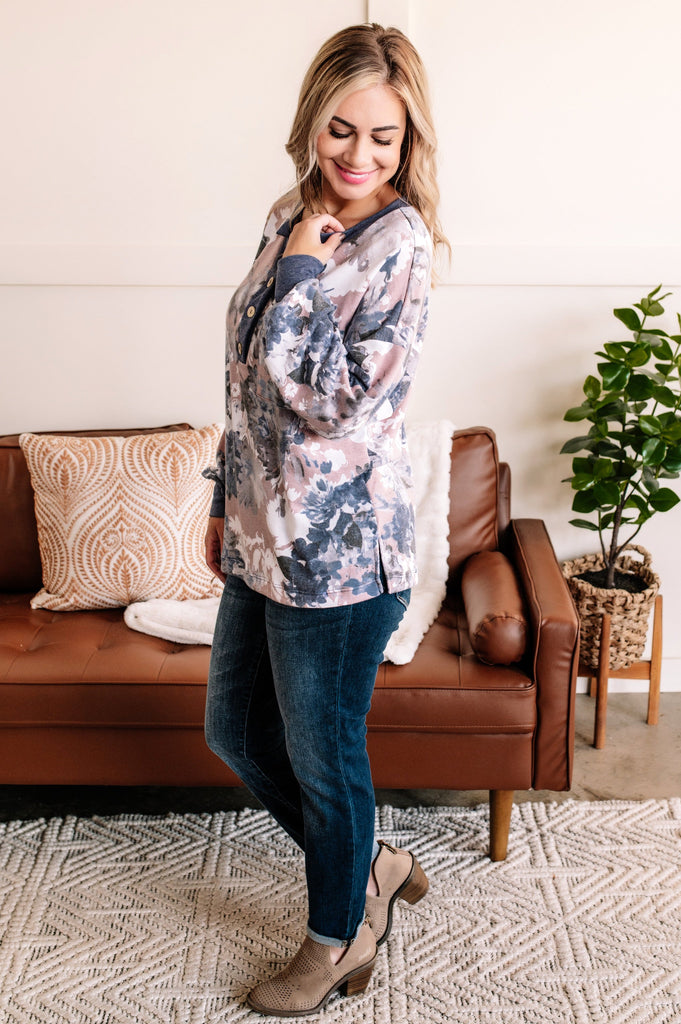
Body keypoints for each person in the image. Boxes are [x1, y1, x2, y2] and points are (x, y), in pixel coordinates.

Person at [203, 22, 448, 1017]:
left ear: (408, 140)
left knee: (324, 755)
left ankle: (337, 937)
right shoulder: (289, 213)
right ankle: (373, 867)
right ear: (310, 121)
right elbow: (247, 380)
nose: (358, 155)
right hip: (262, 535)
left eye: (382, 137)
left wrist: (303, 282)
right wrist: (224, 501)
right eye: (340, 129)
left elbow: (338, 404)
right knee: (233, 730)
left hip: (341, 556)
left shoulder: (401, 246)